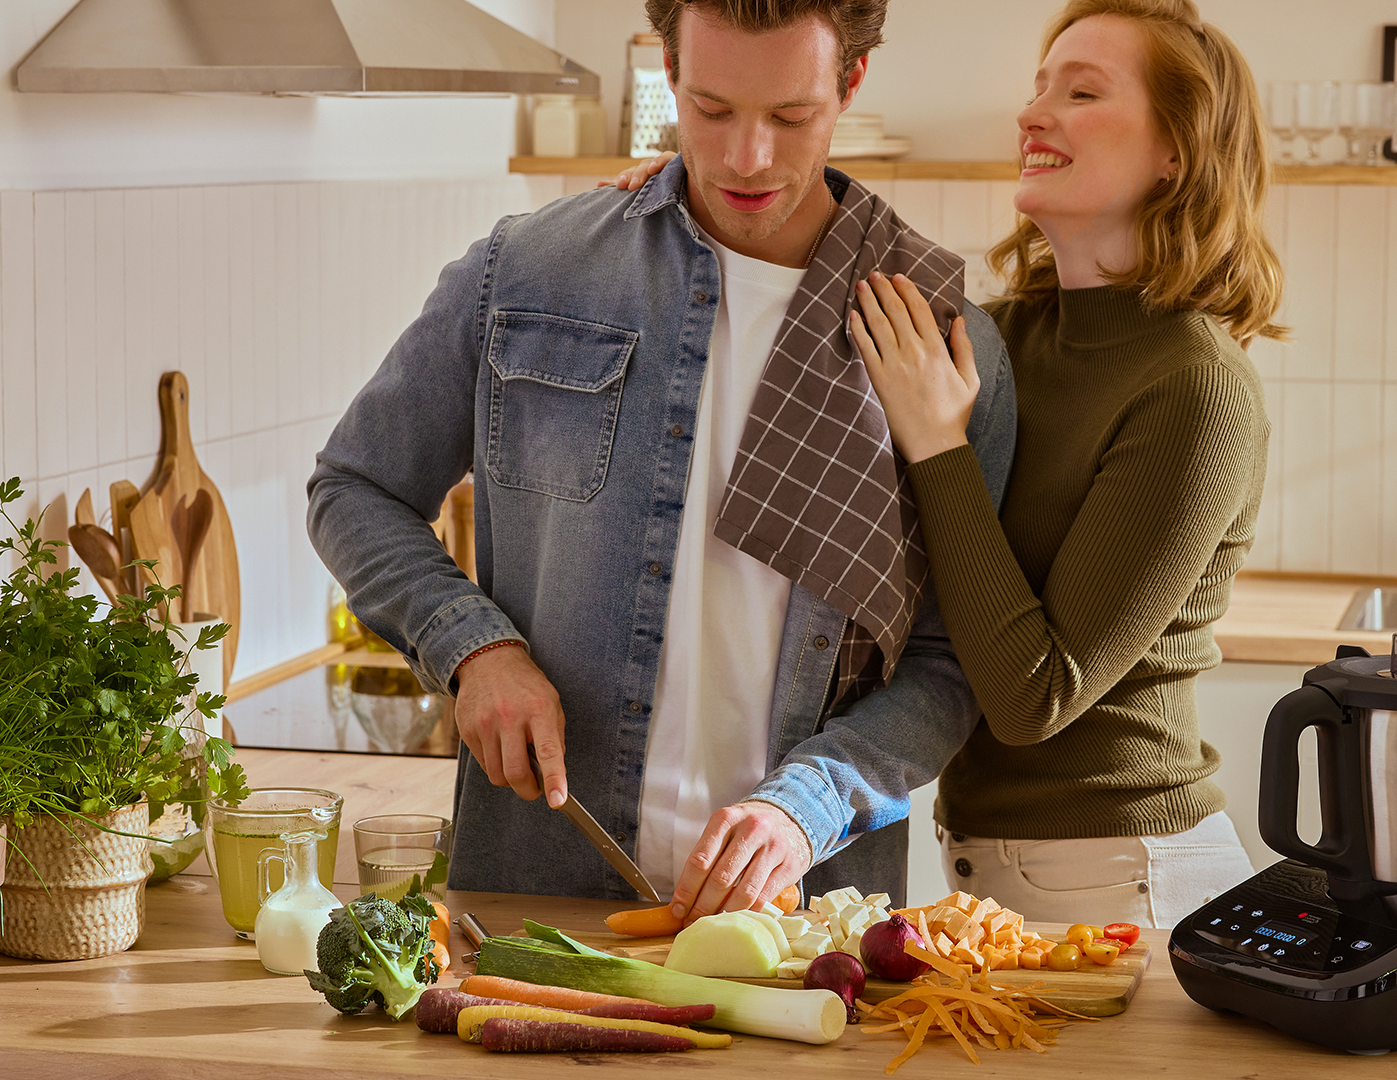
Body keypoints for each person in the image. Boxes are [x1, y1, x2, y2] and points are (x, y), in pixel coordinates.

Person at [307, 0, 1017, 920]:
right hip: (538, 897)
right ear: (670, 72)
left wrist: (809, 805)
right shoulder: (529, 272)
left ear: (851, 83)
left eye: (790, 115)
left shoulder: (946, 342)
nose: (747, 158)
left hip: (804, 927)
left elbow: (950, 661)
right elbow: (355, 487)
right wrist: (474, 646)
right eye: (712, 109)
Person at [619, 0, 1281, 927]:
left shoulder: (1197, 386)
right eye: (1040, 88)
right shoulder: (1002, 337)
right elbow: (825, 253)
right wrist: (677, 202)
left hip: (1134, 878)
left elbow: (1034, 697)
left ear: (1178, 149)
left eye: (1082, 92)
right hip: (999, 874)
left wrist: (939, 444)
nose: (1034, 114)